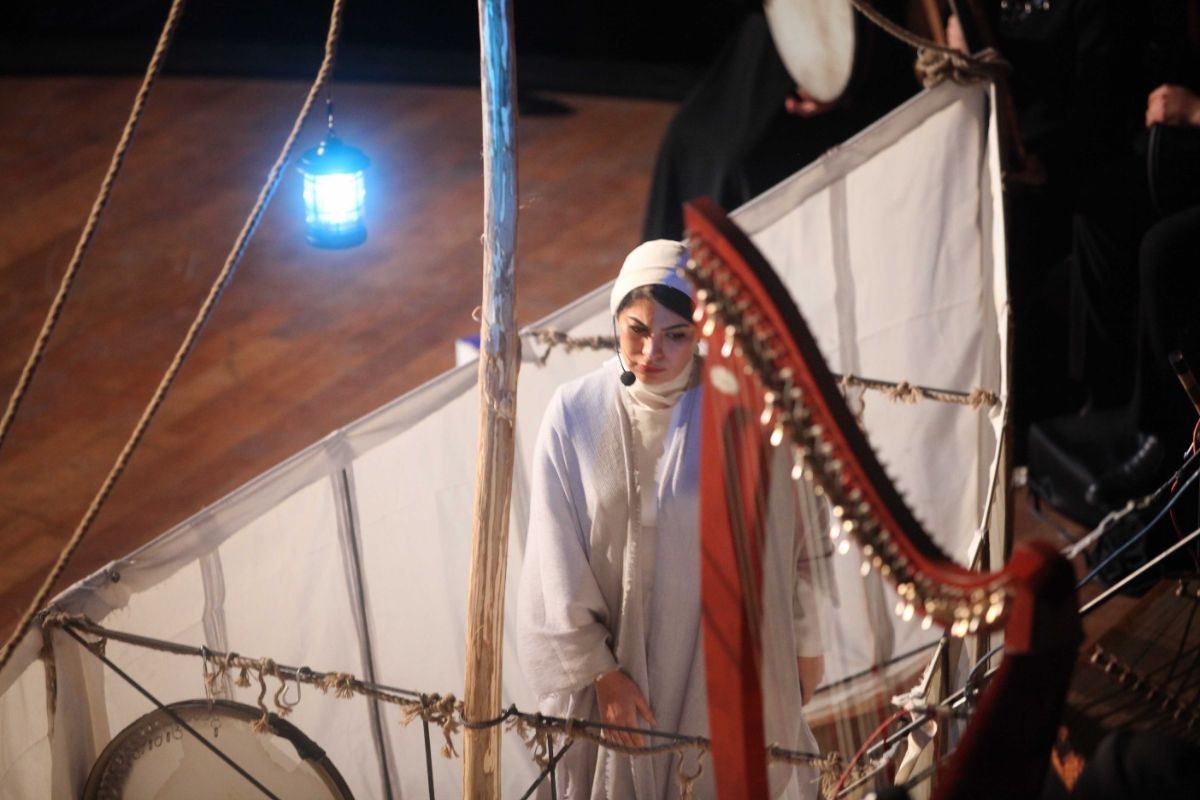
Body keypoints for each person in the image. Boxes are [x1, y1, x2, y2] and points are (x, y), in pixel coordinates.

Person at [517, 240, 826, 799]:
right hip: (617, 673)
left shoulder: (746, 409)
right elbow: (554, 558)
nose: (650, 351)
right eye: (636, 329)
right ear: (615, 318)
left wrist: (805, 645)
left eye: (675, 335)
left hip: (720, 665)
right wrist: (602, 674)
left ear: (702, 332)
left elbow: (798, 540)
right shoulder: (575, 414)